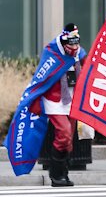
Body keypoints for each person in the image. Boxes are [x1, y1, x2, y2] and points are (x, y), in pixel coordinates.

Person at [29, 23, 87, 187]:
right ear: (63, 42)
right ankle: (55, 174)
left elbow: (91, 66)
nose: (74, 47)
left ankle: (63, 173)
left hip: (72, 98)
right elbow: (42, 76)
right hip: (54, 100)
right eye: (71, 43)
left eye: (77, 43)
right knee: (64, 133)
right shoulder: (52, 52)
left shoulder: (79, 53)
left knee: (68, 140)